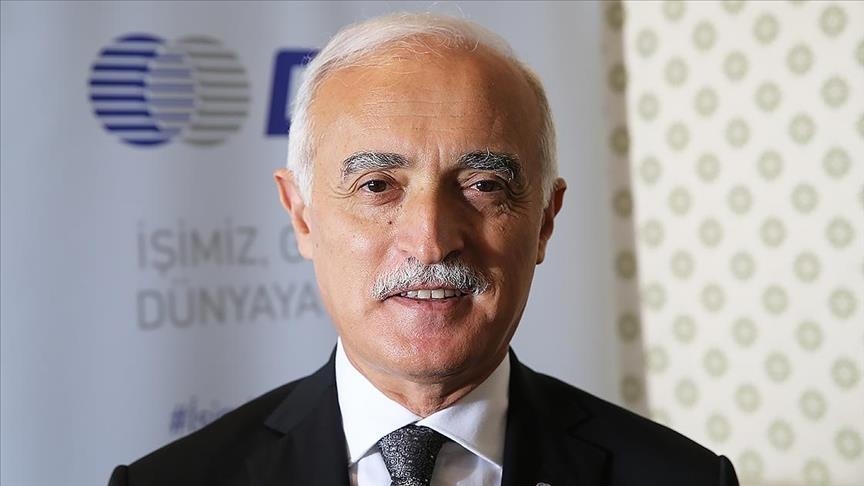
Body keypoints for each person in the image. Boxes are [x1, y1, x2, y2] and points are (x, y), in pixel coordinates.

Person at [109, 12, 738, 486]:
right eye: (377, 186)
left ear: (545, 221)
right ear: (301, 215)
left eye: (483, 185)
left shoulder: (684, 479)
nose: (432, 241)